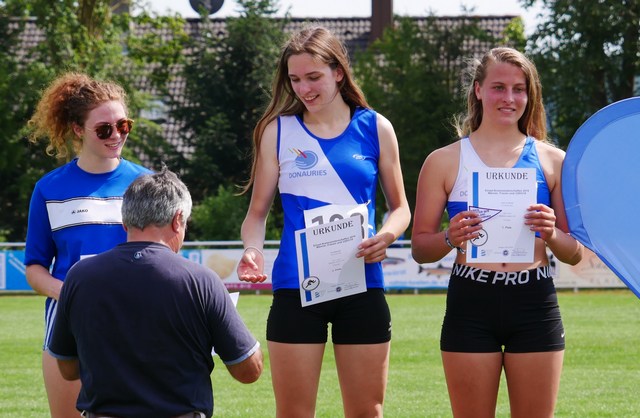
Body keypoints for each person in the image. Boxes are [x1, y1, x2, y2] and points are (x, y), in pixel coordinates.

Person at [236, 26, 411, 418]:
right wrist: (252, 250)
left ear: (338, 72)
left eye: (313, 77)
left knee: (367, 412)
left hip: (362, 284)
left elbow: (401, 208)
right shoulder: (277, 131)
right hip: (295, 289)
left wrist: (386, 236)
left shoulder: (376, 127)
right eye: (295, 79)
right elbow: (256, 214)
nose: (303, 88)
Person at [411, 47, 584, 418]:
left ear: (529, 95)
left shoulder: (554, 161)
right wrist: (449, 237)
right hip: (470, 302)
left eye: (519, 89)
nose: (509, 98)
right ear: (478, 90)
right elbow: (420, 248)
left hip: (534, 301)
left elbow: (574, 253)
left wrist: (551, 233)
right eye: (498, 87)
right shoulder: (443, 161)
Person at [48, 167, 263, 418]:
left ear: (125, 221)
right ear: (178, 219)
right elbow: (248, 371)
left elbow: (67, 368)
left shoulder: (79, 277)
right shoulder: (201, 281)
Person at [23, 72, 151, 418]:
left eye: (123, 125)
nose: (117, 135)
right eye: (104, 129)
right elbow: (34, 268)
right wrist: (71, 293)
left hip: (135, 320)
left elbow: (165, 255)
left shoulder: (146, 183)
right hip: (70, 323)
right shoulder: (49, 188)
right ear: (78, 130)